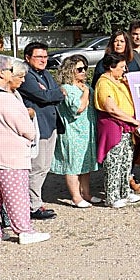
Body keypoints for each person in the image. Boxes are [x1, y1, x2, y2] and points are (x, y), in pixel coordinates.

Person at [0, 56, 49, 245]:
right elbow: (27, 129)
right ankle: (24, 231)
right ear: (1, 73)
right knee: (16, 195)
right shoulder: (6, 99)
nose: (11, 72)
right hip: (8, 155)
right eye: (9, 69)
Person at [18, 41, 64, 222]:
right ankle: (32, 205)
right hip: (37, 125)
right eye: (39, 57)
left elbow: (55, 92)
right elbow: (42, 96)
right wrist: (52, 93)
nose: (43, 60)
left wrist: (53, 93)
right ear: (28, 58)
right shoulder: (27, 76)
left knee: (44, 166)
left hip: (50, 124)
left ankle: (36, 200)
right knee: (37, 167)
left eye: (45, 57)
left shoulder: (45, 74)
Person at [50, 54, 99, 208]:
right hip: (73, 132)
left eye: (85, 68)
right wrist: (85, 93)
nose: (84, 71)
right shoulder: (67, 88)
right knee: (73, 165)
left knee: (85, 164)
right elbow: (77, 108)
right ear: (70, 71)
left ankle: (86, 193)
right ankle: (76, 197)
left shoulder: (85, 86)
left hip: (86, 132)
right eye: (79, 69)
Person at [95, 53, 140, 209]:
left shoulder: (119, 81)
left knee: (126, 160)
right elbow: (111, 108)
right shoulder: (104, 83)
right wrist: (132, 120)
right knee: (114, 161)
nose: (124, 70)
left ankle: (124, 191)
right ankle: (112, 195)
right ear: (111, 67)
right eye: (121, 67)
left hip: (126, 127)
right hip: (113, 126)